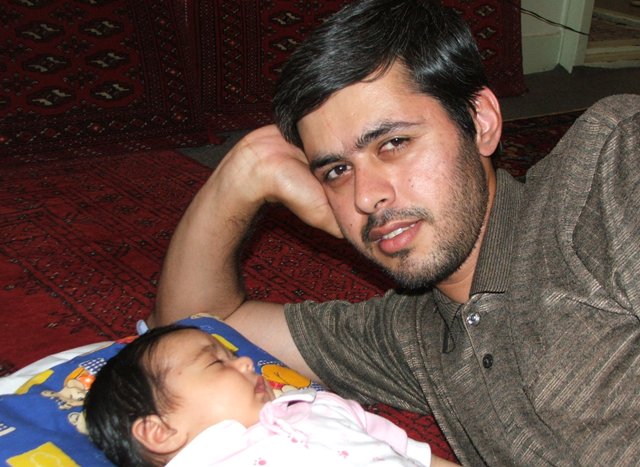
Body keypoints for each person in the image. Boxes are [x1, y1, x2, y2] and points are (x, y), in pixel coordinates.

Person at [150, 0, 640, 465]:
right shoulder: (410, 333)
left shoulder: (606, 168)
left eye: (394, 143)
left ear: (481, 122)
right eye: (337, 171)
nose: (366, 197)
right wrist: (243, 172)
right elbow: (195, 327)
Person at [84, 325, 458, 466]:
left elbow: (420, 456)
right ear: (161, 431)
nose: (246, 361)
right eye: (216, 363)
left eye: (232, 354)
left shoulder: (319, 405)